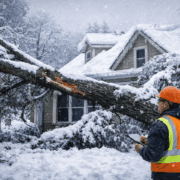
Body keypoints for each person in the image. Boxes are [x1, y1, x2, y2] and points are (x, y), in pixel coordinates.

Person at [135, 86, 180, 180]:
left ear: (165, 104)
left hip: (165, 175)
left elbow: (153, 155)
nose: (157, 104)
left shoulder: (160, 124)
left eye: (159, 101)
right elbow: (175, 143)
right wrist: (151, 142)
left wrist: (140, 149)